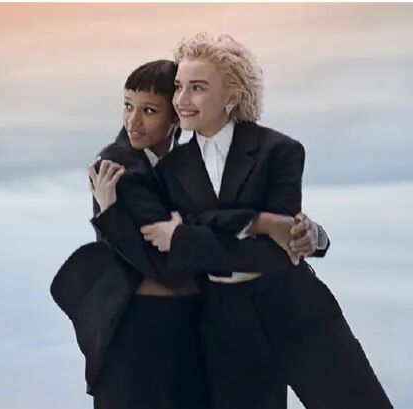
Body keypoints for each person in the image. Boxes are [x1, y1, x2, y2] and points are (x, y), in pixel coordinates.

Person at [51, 59, 330, 409]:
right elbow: (169, 266)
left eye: (148, 111)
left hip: (192, 325)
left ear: (175, 117)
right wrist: (111, 216)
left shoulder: (188, 164)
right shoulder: (117, 168)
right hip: (140, 332)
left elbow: (214, 224)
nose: (132, 121)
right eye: (127, 106)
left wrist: (303, 232)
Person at [139, 33, 392, 409]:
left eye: (197, 87)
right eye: (178, 87)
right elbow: (178, 257)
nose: (181, 100)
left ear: (232, 96)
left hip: (296, 308)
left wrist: (187, 236)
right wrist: (259, 223)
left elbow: (275, 253)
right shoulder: (169, 170)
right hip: (225, 325)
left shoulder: (280, 151)